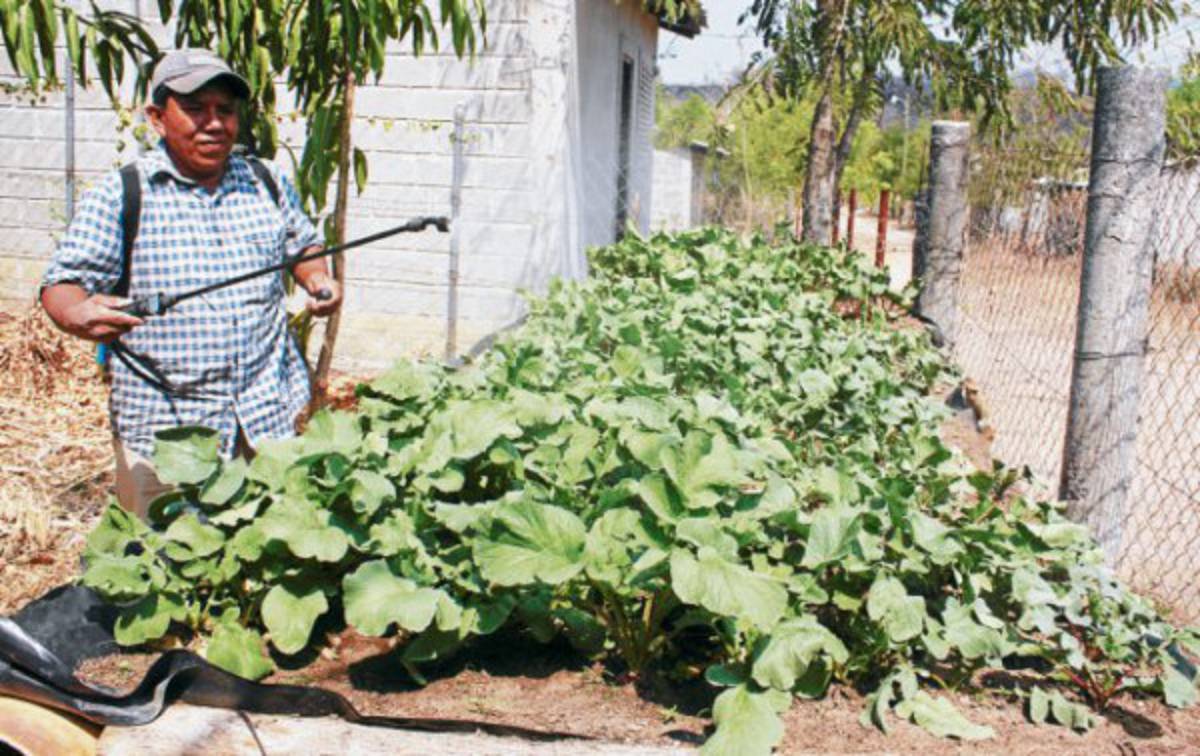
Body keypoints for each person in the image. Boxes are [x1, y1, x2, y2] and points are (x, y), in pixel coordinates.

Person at [40, 49, 342, 519]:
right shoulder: (123, 194)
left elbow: (300, 245)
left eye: (225, 110)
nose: (215, 123)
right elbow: (63, 283)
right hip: (168, 431)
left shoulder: (266, 181)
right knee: (163, 566)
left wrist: (317, 277)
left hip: (264, 421)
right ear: (158, 118)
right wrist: (76, 313)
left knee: (263, 552)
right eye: (196, 109)